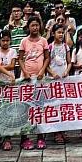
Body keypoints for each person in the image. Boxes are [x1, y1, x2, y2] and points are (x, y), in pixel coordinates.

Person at [19, 16, 50, 150]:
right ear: (28, 27)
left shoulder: (43, 41)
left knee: (40, 108)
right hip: (26, 79)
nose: (35, 28)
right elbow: (20, 59)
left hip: (40, 79)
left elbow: (47, 58)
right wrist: (25, 72)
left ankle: (40, 137)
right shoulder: (24, 41)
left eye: (37, 25)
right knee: (25, 108)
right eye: (32, 25)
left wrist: (42, 70)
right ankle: (25, 138)